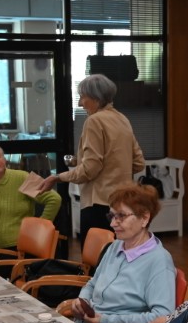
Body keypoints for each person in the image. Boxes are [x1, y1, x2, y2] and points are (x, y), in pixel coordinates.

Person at [58, 184, 175, 323]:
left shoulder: (159, 260)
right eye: (112, 215)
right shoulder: (115, 247)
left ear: (144, 218)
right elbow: (92, 283)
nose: (112, 223)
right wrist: (82, 301)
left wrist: (105, 322)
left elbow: (162, 316)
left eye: (121, 216)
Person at [39, 73, 145, 236]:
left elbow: (90, 169)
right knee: (118, 256)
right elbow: (138, 162)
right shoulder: (122, 119)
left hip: (99, 203)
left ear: (96, 98)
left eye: (82, 96)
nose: (80, 103)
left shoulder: (94, 121)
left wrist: (58, 177)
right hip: (122, 202)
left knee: (97, 258)